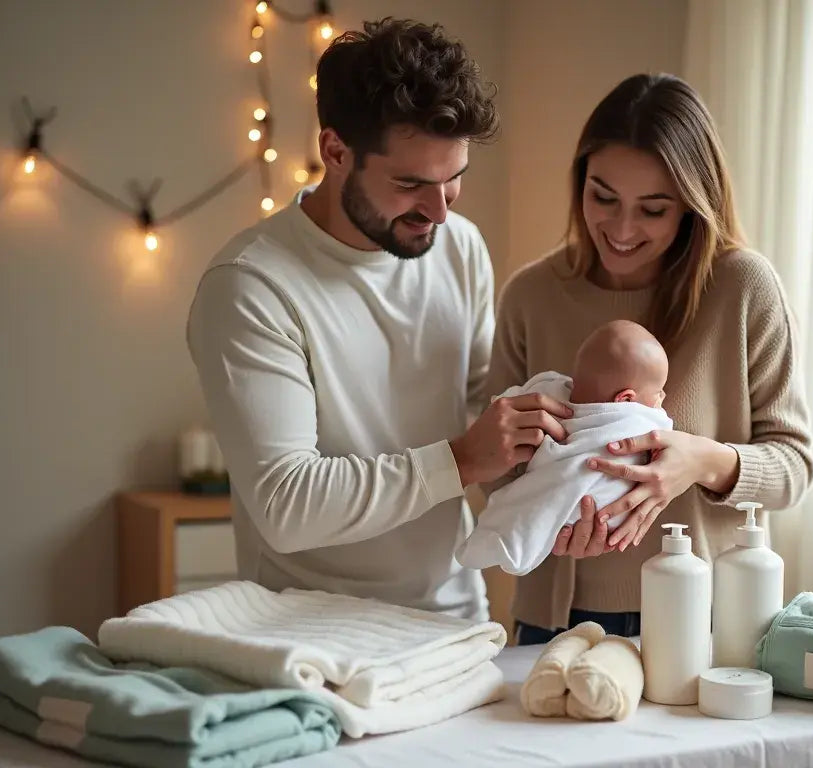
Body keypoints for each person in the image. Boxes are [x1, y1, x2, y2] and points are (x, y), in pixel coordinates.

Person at [186, 19, 572, 622]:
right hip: (309, 633)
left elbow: (481, 410)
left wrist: (570, 474)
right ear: (335, 152)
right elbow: (287, 507)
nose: (439, 211)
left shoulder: (459, 246)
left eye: (454, 179)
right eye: (411, 184)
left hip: (453, 618)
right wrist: (464, 459)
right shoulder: (250, 286)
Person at [485, 73, 813, 644]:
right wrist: (556, 516)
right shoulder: (531, 295)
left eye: (653, 209)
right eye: (602, 197)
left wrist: (700, 462)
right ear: (579, 183)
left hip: (704, 616)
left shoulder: (741, 288)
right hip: (553, 617)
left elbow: (794, 468)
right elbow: (496, 469)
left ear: (692, 204)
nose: (621, 228)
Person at [457, 320, 672, 576]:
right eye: (659, 391)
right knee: (575, 480)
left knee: (544, 497)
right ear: (625, 399)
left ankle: (506, 535)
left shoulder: (548, 391)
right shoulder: (640, 422)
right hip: (598, 514)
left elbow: (502, 407)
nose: (662, 398)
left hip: (564, 500)